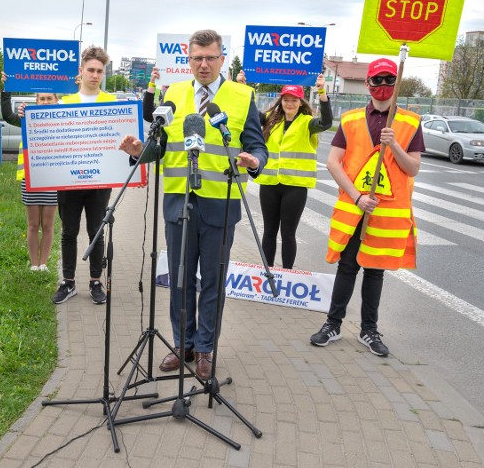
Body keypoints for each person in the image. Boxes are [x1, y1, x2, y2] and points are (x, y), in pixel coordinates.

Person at [119, 29, 268, 380]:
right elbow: (161, 147)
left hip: (220, 204)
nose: (203, 64)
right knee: (181, 280)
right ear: (188, 59)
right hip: (177, 203)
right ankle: (182, 344)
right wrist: (141, 152)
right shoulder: (172, 95)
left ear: (222, 59)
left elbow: (257, 145)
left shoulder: (243, 96)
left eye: (210, 58)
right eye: (197, 58)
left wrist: (254, 161)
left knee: (213, 281)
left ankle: (205, 349)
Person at [309, 58, 424, 356]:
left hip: (386, 214)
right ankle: (333, 324)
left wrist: (395, 145)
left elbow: (412, 169)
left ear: (396, 84)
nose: (383, 87)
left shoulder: (410, 122)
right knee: (347, 267)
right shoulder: (350, 119)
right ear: (368, 84)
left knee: (375, 271)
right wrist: (358, 196)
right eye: (378, 81)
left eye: (389, 81)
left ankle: (369, 330)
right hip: (355, 208)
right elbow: (333, 163)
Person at [238, 71, 332, 269]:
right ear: (281, 101)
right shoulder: (271, 120)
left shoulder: (308, 123)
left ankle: (288, 274)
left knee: (288, 233)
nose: (290, 104)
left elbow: (326, 122)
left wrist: (322, 92)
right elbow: (250, 112)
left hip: (295, 187)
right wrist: (243, 87)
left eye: (294, 100)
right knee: (269, 232)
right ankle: (267, 271)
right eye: (286, 100)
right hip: (270, 185)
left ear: (300, 102)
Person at [50, 46, 116, 306]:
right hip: (70, 179)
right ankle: (68, 282)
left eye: (100, 71)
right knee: (69, 231)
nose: (95, 75)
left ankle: (95, 281)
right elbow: (53, 140)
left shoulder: (112, 103)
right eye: (91, 70)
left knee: (96, 231)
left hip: (100, 180)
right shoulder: (65, 103)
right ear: (81, 71)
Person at [0, 74, 59, 273]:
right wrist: (6, 88)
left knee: (48, 224)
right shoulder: (27, 118)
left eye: (49, 98)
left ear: (56, 101)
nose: (45, 101)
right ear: (36, 101)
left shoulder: (62, 119)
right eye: (41, 98)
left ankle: (44, 263)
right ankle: (34, 265)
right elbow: (7, 116)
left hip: (53, 179)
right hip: (31, 178)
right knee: (33, 224)